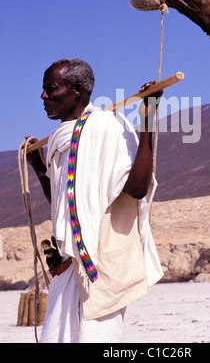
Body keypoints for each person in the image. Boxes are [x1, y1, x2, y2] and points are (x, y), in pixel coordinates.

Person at [26, 58, 163, 343]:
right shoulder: (60, 140)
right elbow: (63, 203)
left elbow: (137, 189)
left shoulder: (106, 127)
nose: (43, 96)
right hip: (68, 265)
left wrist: (148, 117)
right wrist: (39, 167)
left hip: (101, 261)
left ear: (76, 90)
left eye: (51, 89)